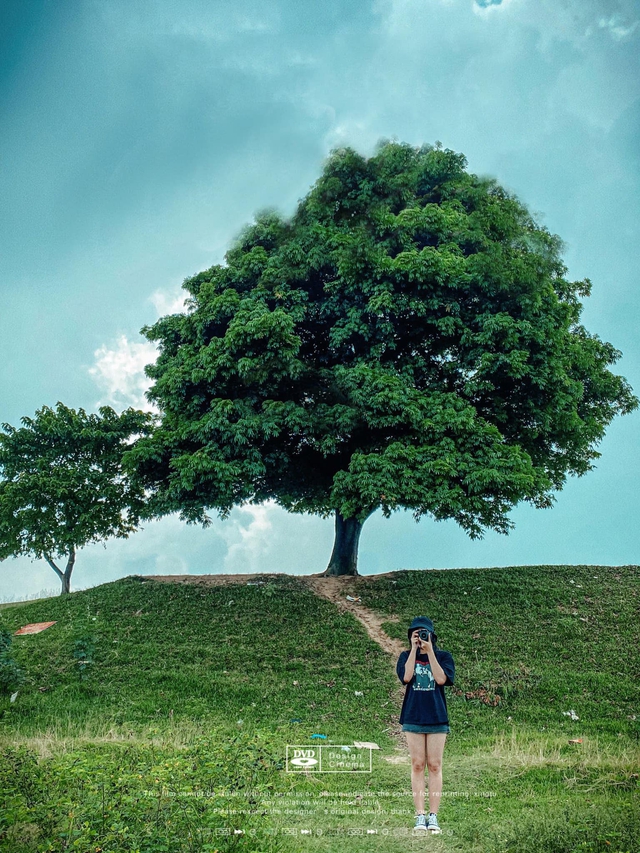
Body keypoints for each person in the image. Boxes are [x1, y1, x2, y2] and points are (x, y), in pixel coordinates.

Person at [395, 616, 455, 834]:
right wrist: (413, 650)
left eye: (424, 633)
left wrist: (429, 652)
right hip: (413, 716)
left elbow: (441, 679)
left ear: (431, 635)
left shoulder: (443, 656)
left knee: (435, 765)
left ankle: (434, 815)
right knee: (417, 764)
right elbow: (406, 676)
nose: (420, 637)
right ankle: (420, 815)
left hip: (437, 717)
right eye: (416, 633)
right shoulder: (404, 656)